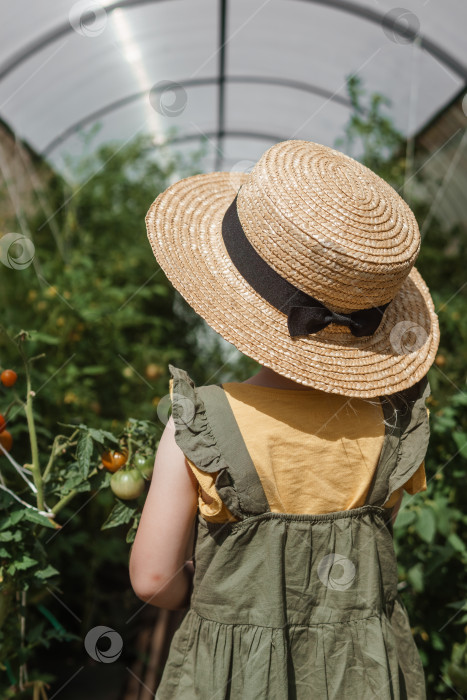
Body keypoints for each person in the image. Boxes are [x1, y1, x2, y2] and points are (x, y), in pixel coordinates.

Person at [129, 139, 440, 699]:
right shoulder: (393, 429)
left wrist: (220, 591)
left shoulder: (199, 423)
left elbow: (153, 579)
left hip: (233, 679)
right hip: (361, 674)